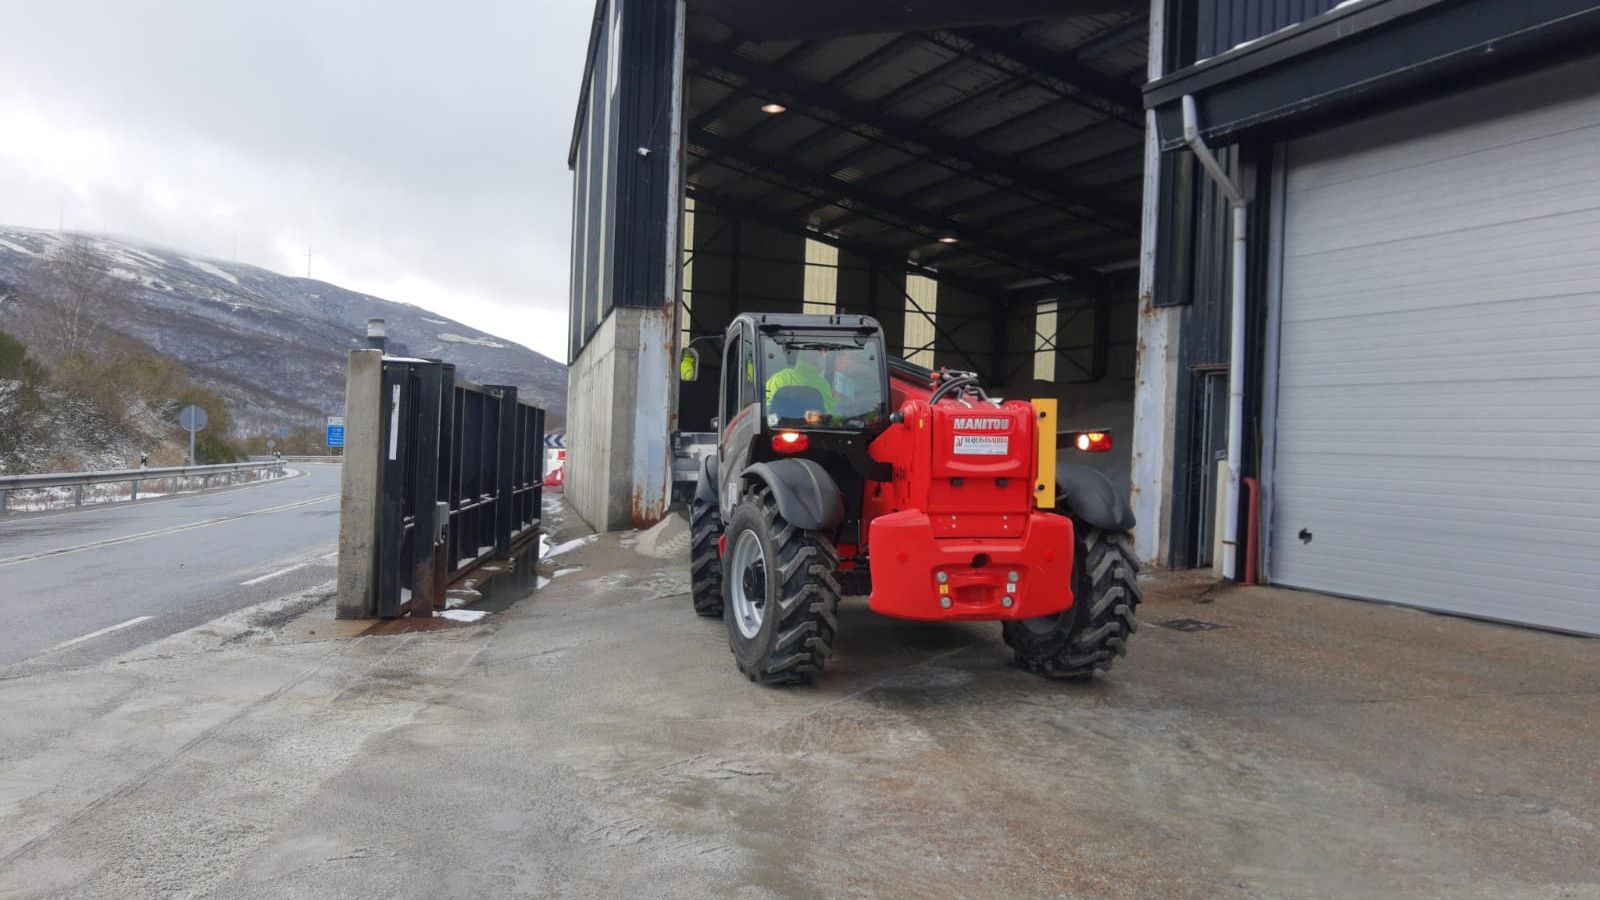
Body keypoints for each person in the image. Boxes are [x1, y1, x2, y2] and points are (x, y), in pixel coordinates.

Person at [764, 352, 836, 414]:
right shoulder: (822, 384)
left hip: (779, 426)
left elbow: (766, 403)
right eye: (823, 359)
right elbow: (828, 411)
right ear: (818, 361)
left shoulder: (779, 378)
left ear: (799, 359)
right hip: (811, 426)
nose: (825, 363)